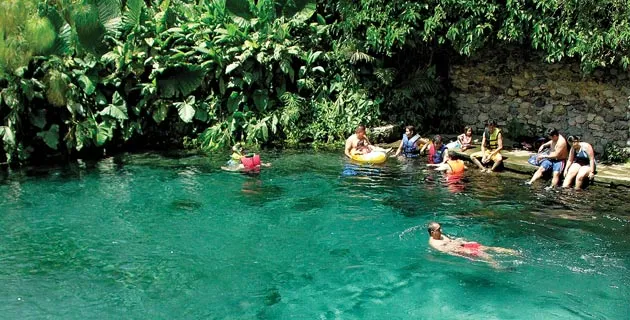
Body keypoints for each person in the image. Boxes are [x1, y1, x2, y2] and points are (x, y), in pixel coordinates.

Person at [427, 222, 518, 267]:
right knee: (483, 254)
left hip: (462, 245)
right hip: (460, 250)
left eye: (440, 228)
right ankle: (498, 267)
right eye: (439, 230)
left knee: (487, 248)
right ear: (432, 232)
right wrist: (465, 253)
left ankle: (513, 252)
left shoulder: (440, 235)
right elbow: (447, 251)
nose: (441, 231)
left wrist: (465, 242)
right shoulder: (434, 243)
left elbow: (451, 241)